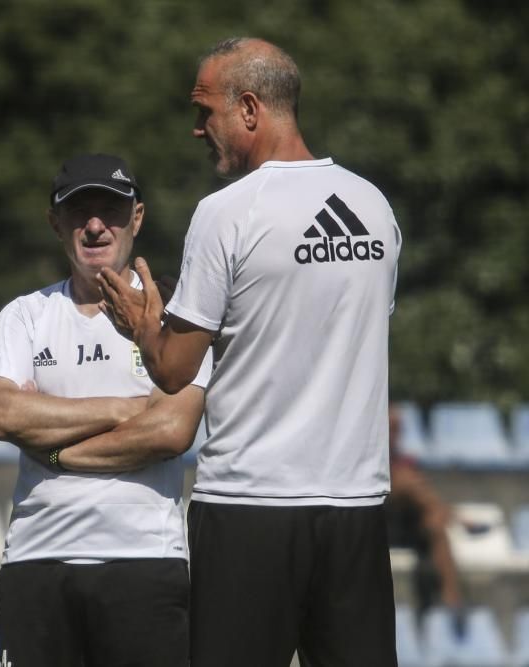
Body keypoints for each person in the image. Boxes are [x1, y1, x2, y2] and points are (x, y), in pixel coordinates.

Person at [98, 38, 403, 666]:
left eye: (204, 111)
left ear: (249, 108)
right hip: (355, 507)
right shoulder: (374, 208)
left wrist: (140, 325)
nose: (197, 129)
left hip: (249, 508)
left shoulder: (227, 212)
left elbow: (176, 369)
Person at [0, 154, 212, 667]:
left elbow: (173, 429)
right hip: (36, 560)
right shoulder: (25, 315)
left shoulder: (176, 318)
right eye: (78, 211)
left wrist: (56, 448)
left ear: (137, 219)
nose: (93, 225)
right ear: (55, 223)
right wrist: (127, 408)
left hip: (144, 562)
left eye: (109, 210)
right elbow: (2, 414)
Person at [385, 403, 463, 613]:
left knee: (435, 525)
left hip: (406, 526)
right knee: (406, 482)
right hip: (376, 527)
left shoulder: (404, 461)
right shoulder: (366, 461)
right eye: (390, 428)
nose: (395, 434)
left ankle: (452, 601)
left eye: (397, 428)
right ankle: (453, 516)